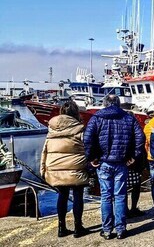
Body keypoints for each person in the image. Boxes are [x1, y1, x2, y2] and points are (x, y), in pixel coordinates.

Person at [84, 95, 145, 240]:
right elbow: (140, 137)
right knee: (120, 195)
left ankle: (106, 230)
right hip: (121, 162)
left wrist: (91, 158)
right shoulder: (128, 118)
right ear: (118, 103)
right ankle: (120, 229)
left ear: (105, 103)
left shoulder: (96, 118)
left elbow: (87, 139)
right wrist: (133, 156)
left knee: (106, 196)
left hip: (103, 162)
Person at [40, 101, 89, 238]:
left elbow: (45, 149)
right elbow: (87, 148)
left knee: (62, 196)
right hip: (76, 167)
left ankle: (61, 227)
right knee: (78, 196)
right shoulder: (80, 128)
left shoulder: (52, 128)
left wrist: (43, 168)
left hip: (56, 167)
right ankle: (78, 227)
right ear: (76, 113)